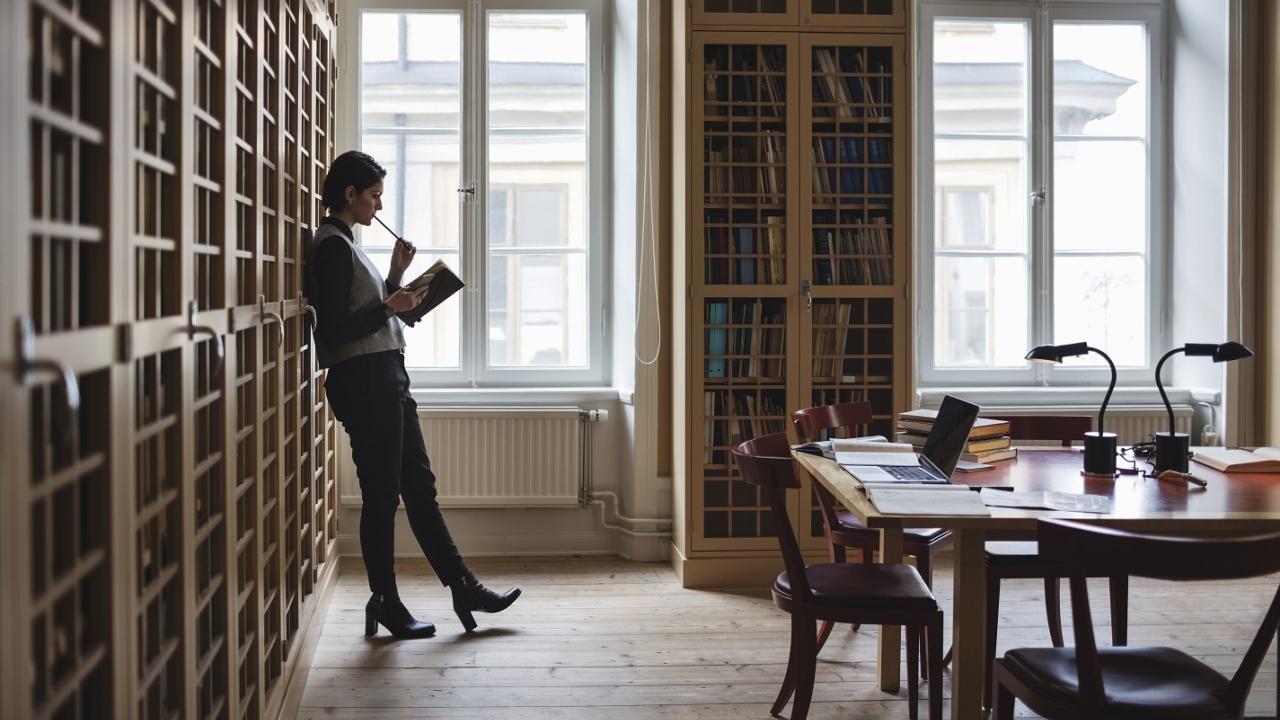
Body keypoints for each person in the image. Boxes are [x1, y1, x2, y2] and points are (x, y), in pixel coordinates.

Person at [307, 150, 519, 637]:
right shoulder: (332, 246)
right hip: (364, 382)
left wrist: (397, 279)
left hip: (386, 377)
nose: (378, 206)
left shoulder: (348, 243)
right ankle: (386, 602)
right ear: (350, 194)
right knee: (382, 497)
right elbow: (335, 333)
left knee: (419, 489)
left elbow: (374, 312)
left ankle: (463, 586)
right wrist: (390, 303)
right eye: (374, 195)